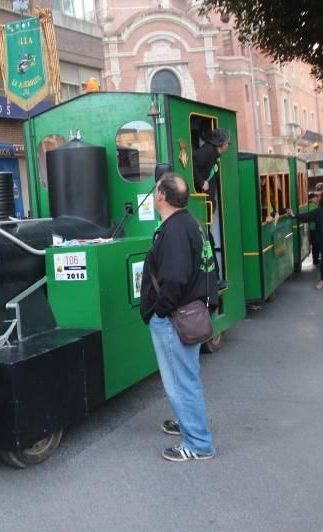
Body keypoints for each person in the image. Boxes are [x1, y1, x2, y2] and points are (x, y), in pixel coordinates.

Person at [140, 172, 218, 462]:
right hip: (191, 312)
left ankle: (198, 443)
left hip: (175, 317)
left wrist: (160, 310)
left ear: (161, 195)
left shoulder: (173, 230)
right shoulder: (191, 223)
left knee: (181, 380)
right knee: (187, 375)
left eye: (156, 189)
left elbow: (173, 278)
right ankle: (188, 422)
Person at [192, 128, 231, 286]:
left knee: (209, 242)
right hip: (202, 206)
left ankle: (216, 279)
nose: (228, 146)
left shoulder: (214, 154)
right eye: (227, 143)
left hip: (207, 207)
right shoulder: (207, 153)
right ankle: (215, 280)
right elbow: (190, 161)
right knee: (208, 242)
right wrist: (201, 182)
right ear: (221, 144)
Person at [308, 186, 323, 266]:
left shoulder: (313, 205)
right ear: (311, 199)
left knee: (315, 245)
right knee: (316, 245)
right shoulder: (313, 206)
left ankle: (316, 259)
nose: (317, 199)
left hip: (313, 228)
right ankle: (316, 260)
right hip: (314, 228)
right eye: (315, 198)